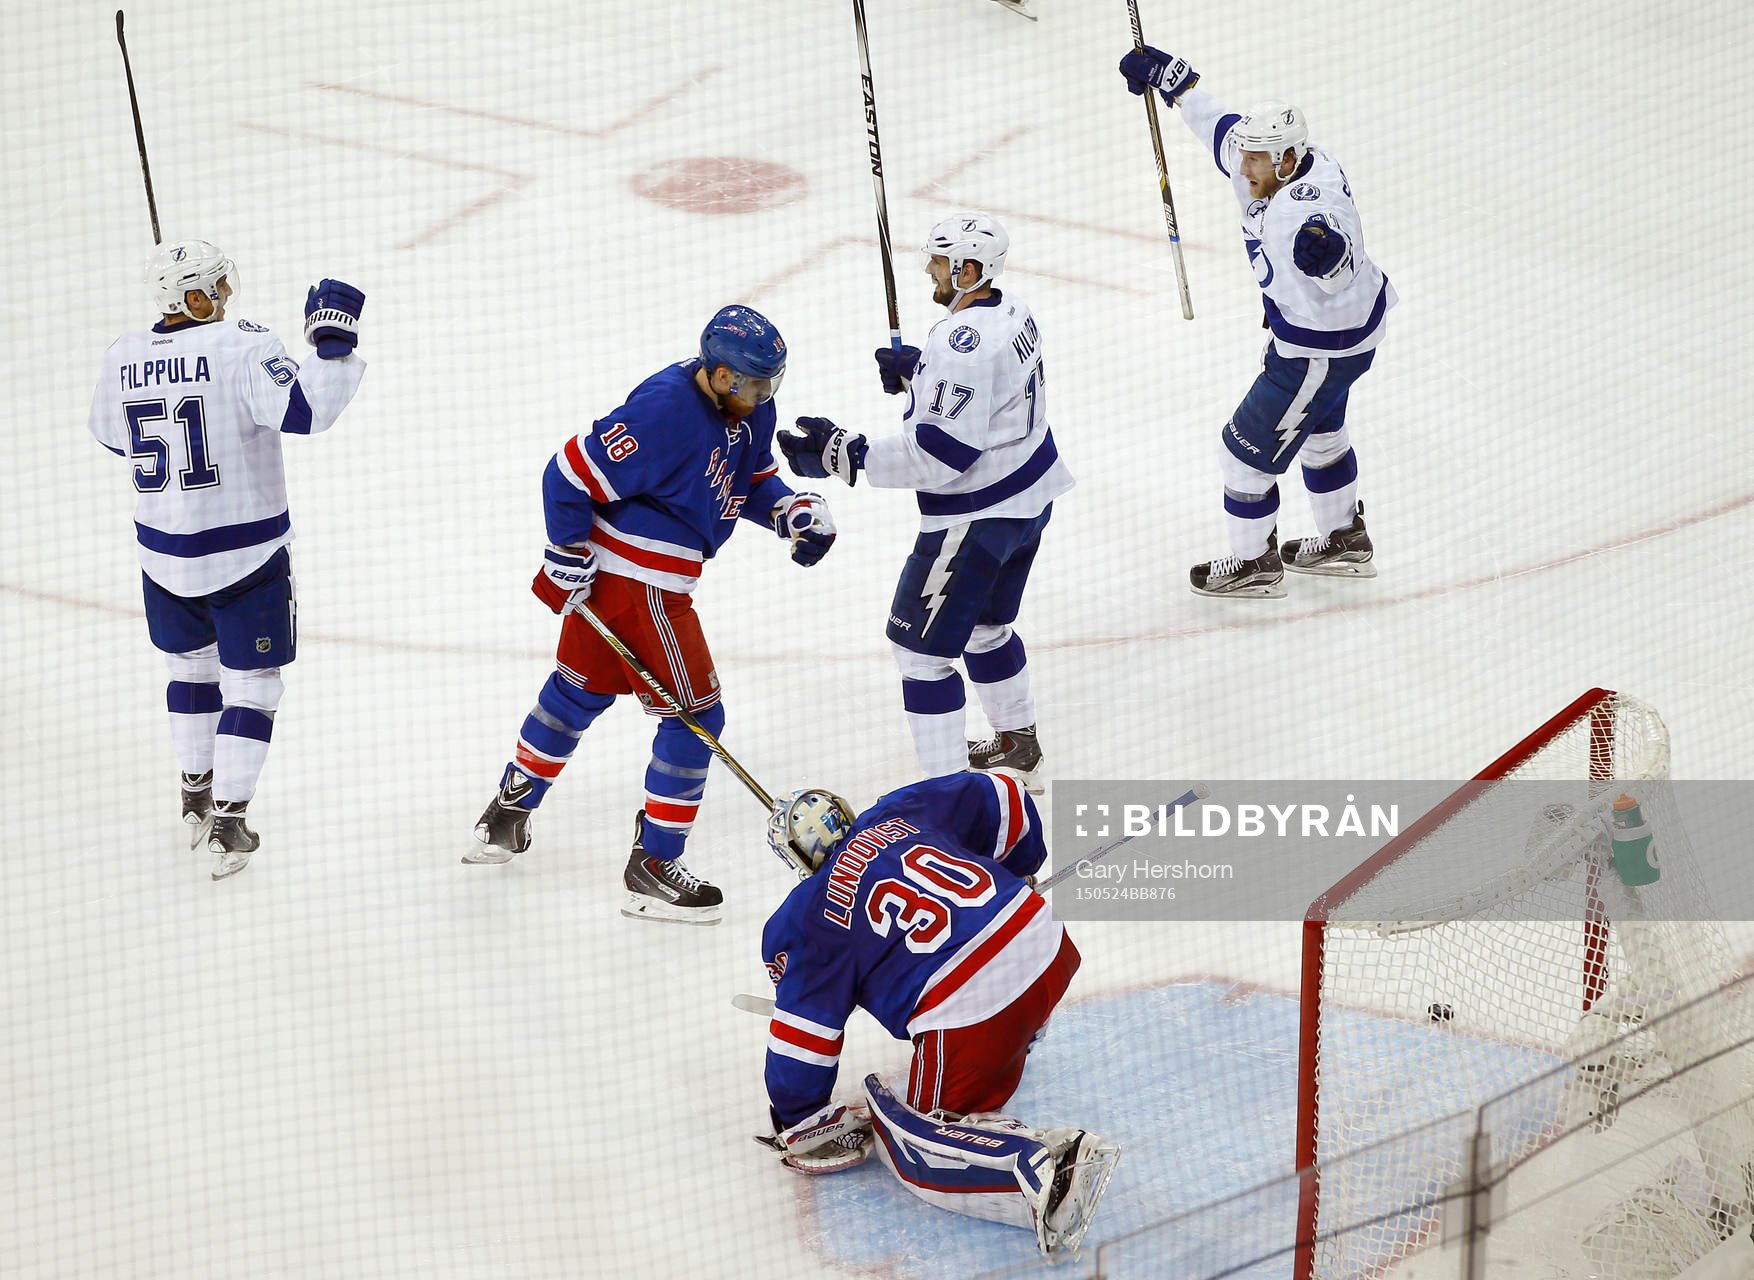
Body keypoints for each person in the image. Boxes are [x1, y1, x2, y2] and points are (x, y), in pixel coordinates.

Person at [465, 306, 838, 926]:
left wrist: (788, 511)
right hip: (641, 586)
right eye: (754, 383)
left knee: (574, 695)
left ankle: (505, 816)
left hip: (637, 586)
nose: (765, 395)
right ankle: (654, 867)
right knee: (697, 718)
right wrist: (565, 550)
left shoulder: (750, 409)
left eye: (771, 382)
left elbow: (749, 479)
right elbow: (567, 473)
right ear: (721, 375)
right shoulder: (665, 411)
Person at [87, 239, 366, 879]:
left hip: (162, 554)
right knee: (253, 684)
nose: (227, 295)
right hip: (246, 553)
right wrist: (332, 345)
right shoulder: (243, 344)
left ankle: (195, 794)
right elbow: (307, 412)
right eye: (216, 286)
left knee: (188, 669)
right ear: (193, 296)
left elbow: (111, 435)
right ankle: (230, 822)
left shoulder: (122, 354)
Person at [756, 773, 1119, 1256]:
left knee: (919, 1140)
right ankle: (1018, 1037)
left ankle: (1050, 1168)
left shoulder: (806, 915)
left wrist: (798, 1117)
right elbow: (1005, 795)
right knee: (1003, 1007)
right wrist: (1021, 868)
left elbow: (803, 1037)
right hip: (1048, 943)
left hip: (975, 1006)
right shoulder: (900, 810)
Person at [779, 214, 1071, 791]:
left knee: (919, 655)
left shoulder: (962, 347)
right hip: (1029, 497)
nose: (929, 271)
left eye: (939, 262)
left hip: (977, 518)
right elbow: (995, 393)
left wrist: (843, 454)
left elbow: (942, 454)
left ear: (968, 270)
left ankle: (949, 796)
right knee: (986, 628)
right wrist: (922, 373)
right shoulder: (1013, 311)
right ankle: (1018, 746)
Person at [1118, 47, 1395, 598]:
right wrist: (1176, 84)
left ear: (1287, 161)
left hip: (1319, 351)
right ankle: (1344, 539)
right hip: (1338, 340)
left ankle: (1254, 564)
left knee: (1241, 456)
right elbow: (1221, 131)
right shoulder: (1273, 164)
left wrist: (1329, 257)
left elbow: (1340, 259)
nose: (1242, 170)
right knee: (1321, 433)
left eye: (1254, 162)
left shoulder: (1307, 209)